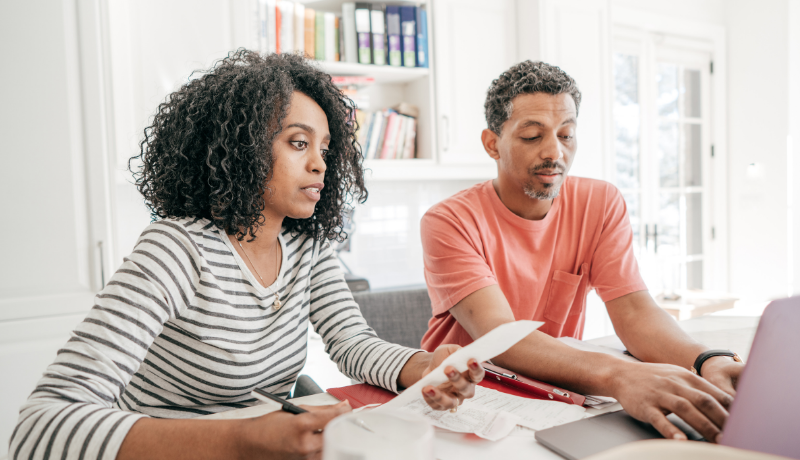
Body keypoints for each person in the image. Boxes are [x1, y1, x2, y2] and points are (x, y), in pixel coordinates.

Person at [9, 51, 484, 460]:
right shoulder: (176, 248)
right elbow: (38, 427)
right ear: (241, 149)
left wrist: (423, 369)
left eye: (325, 147)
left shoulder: (308, 247)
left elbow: (351, 342)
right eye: (299, 143)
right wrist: (240, 440)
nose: (320, 163)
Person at [419, 60, 743, 443]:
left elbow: (635, 311)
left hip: (556, 393)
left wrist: (706, 360)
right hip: (463, 403)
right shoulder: (448, 221)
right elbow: (500, 337)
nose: (554, 152)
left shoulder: (600, 202)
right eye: (532, 136)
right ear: (493, 143)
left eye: (566, 134)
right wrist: (620, 375)